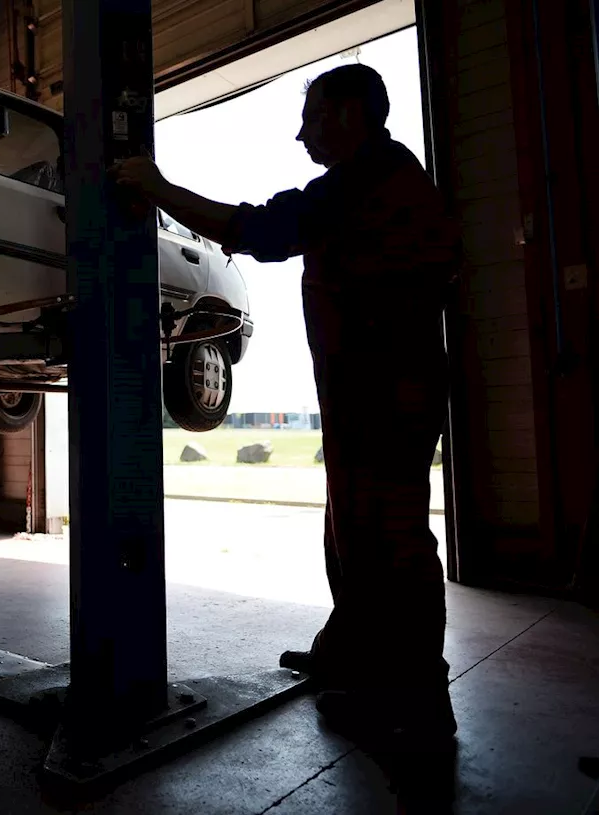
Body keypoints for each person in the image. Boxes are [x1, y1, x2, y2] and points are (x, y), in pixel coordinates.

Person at [112, 63, 461, 747]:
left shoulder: (370, 182)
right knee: (351, 528)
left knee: (391, 540)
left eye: (313, 118)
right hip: (371, 390)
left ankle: (418, 702)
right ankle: (348, 652)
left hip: (387, 391)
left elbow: (263, 231)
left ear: (351, 116)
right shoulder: (383, 179)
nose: (301, 134)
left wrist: (158, 189)